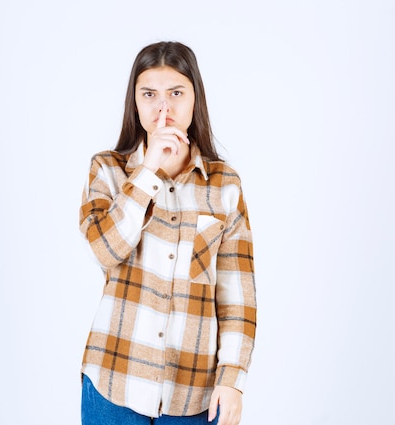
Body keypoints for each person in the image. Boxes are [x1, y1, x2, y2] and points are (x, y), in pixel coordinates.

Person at [78, 41, 257, 425]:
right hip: (114, 381)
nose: (164, 108)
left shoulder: (225, 184)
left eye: (176, 93)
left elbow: (237, 296)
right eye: (150, 95)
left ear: (195, 99)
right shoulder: (107, 171)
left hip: (193, 395)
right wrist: (148, 173)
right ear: (136, 103)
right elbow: (105, 250)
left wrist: (232, 380)